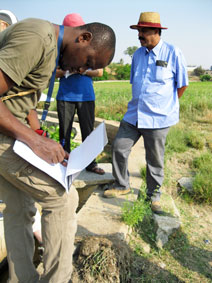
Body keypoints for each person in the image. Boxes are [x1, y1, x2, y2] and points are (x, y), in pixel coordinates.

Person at [0, 16, 115, 282]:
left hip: (10, 134)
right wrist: (34, 140)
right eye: (87, 62)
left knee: (19, 208)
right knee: (63, 200)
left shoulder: (48, 45)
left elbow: (18, 93)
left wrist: (39, 135)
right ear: (83, 38)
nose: (82, 69)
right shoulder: (38, 38)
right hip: (5, 137)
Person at [103, 12, 188, 214]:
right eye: (138, 30)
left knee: (154, 160)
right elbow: (136, 83)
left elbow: (182, 85)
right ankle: (122, 185)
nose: (139, 35)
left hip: (158, 118)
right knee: (119, 148)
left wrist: (166, 105)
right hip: (134, 114)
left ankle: (154, 196)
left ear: (156, 32)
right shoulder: (138, 55)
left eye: (143, 31)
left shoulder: (173, 53)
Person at [0, 8, 43, 248]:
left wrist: (37, 136)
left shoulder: (15, 56)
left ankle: (37, 233)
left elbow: (27, 106)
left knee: (21, 203)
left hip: (11, 136)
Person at [56, 13, 105, 175]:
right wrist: (65, 71)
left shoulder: (91, 48)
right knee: (64, 131)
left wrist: (84, 71)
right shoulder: (60, 49)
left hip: (86, 96)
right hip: (65, 96)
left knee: (88, 131)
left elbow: (100, 72)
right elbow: (51, 72)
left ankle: (90, 163)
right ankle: (64, 160)